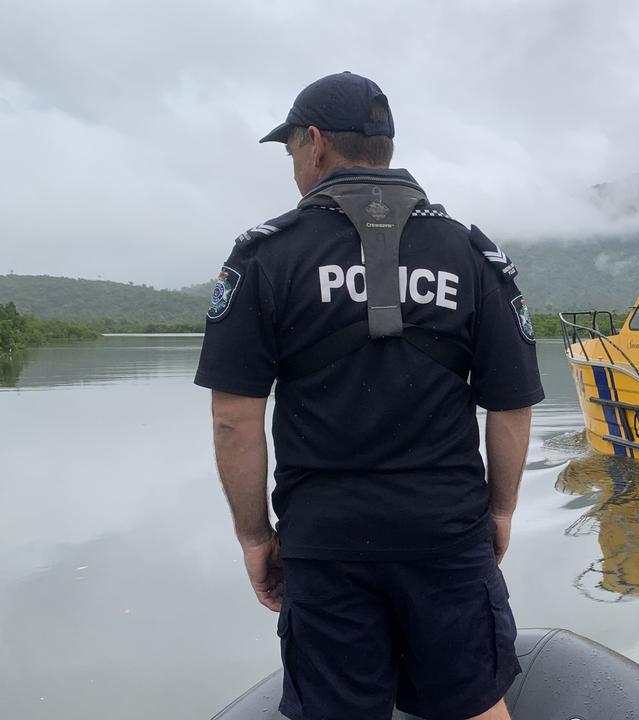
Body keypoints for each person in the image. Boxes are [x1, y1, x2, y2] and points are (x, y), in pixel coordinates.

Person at [195, 71, 543, 720]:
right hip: (447, 531)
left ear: (317, 143)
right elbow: (512, 405)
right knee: (476, 705)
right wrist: (499, 513)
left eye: (293, 148)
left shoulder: (266, 257)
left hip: (327, 542)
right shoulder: (471, 254)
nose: (294, 163)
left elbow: (234, 422)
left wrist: (254, 538)